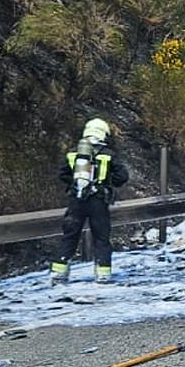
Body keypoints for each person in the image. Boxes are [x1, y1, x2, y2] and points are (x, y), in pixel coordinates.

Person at [51, 117, 129, 285]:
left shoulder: (74, 153)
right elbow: (122, 177)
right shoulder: (108, 155)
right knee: (101, 237)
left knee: (69, 236)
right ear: (103, 133)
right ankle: (103, 274)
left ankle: (59, 272)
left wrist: (76, 184)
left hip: (76, 200)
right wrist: (108, 182)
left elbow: (62, 174)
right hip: (98, 201)